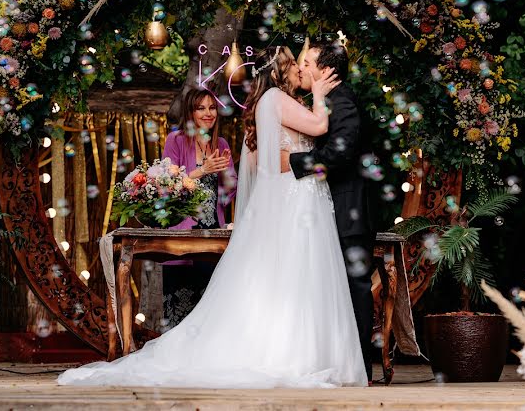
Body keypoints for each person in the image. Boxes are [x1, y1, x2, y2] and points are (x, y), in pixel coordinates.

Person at [58, 45, 368, 388]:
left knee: (301, 278)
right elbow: (320, 127)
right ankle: (288, 353)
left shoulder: (280, 102)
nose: (301, 69)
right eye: (296, 63)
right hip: (297, 198)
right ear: (280, 70)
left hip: (302, 198)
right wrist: (322, 94)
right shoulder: (277, 100)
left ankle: (308, 350)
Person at [289, 40, 376, 384]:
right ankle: (341, 365)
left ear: (326, 70)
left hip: (349, 210)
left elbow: (339, 155)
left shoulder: (344, 103)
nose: (302, 68)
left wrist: (293, 162)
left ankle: (361, 372)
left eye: (308, 62)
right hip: (332, 210)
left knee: (355, 288)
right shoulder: (326, 102)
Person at [158, 88, 237, 327]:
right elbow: (166, 187)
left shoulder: (220, 143)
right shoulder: (177, 140)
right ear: (190, 112)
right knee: (180, 313)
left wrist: (225, 172)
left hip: (213, 237)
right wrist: (203, 170)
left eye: (212, 107)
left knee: (210, 313)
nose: (208, 113)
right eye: (201, 108)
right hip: (184, 238)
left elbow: (228, 193)